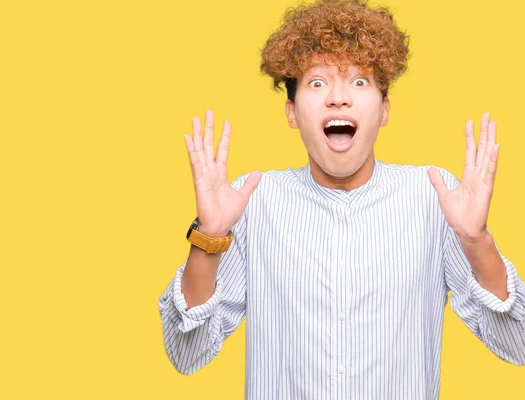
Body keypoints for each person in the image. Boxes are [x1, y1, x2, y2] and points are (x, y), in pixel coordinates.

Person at [158, 0, 525, 398]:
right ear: (292, 112)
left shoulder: (433, 198)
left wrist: (476, 241)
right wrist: (210, 238)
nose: (338, 98)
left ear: (384, 110)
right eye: (317, 83)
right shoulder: (253, 203)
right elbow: (186, 353)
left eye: (360, 81)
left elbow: (517, 343)